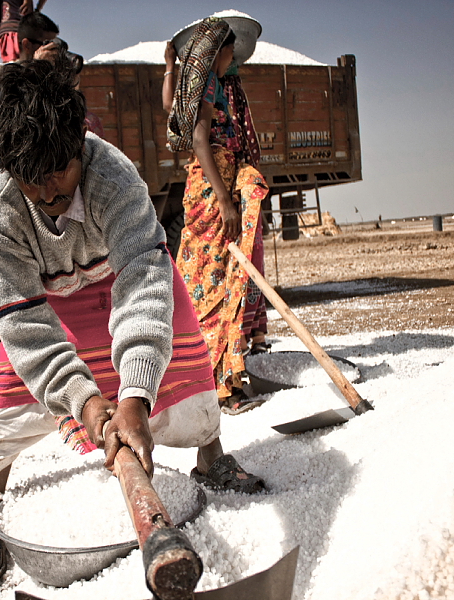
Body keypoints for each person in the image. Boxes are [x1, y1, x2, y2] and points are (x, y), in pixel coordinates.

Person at [0, 60, 264, 589]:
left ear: (81, 140)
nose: (51, 192)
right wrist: (83, 400)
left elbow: (145, 280)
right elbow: (25, 324)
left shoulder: (113, 175)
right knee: (7, 411)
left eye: (62, 171)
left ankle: (210, 456)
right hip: (49, 301)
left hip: (123, 276)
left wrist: (134, 397)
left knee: (189, 374)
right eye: (34, 181)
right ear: (8, 169)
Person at [166, 17, 271, 415]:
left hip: (201, 190)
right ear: (219, 52)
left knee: (200, 280)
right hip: (212, 191)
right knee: (223, 281)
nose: (232, 61)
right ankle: (224, 386)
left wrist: (168, 70)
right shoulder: (211, 82)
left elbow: (171, 113)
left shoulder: (194, 86)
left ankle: (203, 379)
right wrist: (226, 199)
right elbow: (197, 138)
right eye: (230, 52)